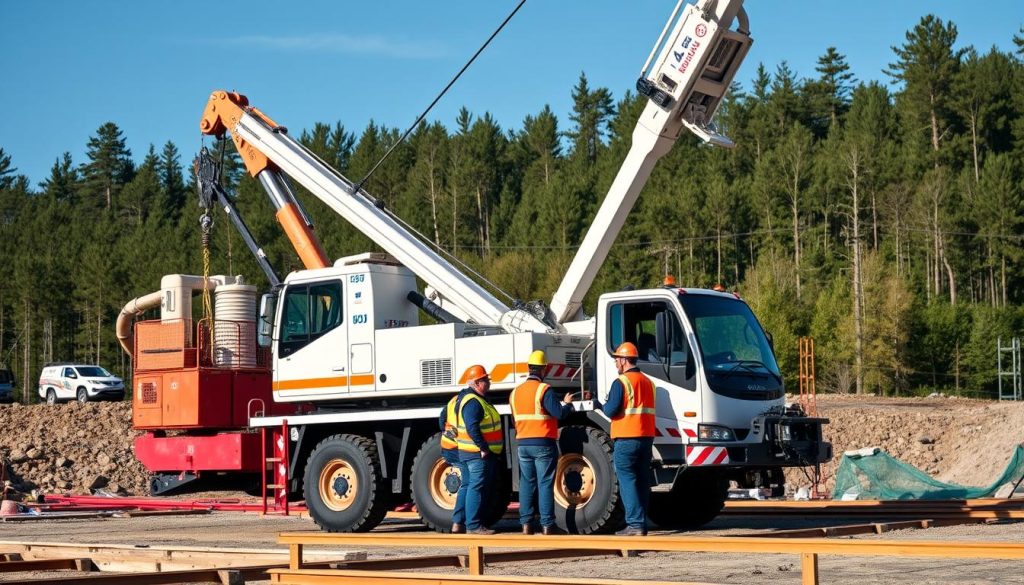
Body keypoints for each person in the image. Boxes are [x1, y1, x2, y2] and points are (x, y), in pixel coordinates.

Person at [509, 350, 574, 535]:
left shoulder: (515, 392)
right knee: (545, 483)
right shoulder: (544, 389)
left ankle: (526, 525)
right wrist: (568, 404)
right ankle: (547, 525)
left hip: (523, 444)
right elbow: (559, 413)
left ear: (529, 368)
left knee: (527, 483)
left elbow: (515, 420)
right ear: (544, 369)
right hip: (543, 443)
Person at [602, 342, 656, 536]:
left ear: (624, 361)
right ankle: (641, 522)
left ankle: (634, 524)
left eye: (617, 359)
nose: (616, 363)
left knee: (627, 480)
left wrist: (601, 404)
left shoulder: (622, 382)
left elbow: (610, 410)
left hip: (626, 438)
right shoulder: (648, 382)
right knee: (641, 480)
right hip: (646, 438)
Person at [455, 364, 504, 535]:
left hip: (469, 453)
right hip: (476, 454)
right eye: (484, 380)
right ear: (476, 383)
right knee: (476, 487)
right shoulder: (473, 402)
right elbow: (472, 427)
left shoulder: (475, 399)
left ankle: (461, 523)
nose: (488, 383)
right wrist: (483, 447)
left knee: (470, 486)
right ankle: (474, 526)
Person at [438, 388, 471, 533]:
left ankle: (459, 523)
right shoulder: (468, 402)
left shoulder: (453, 400)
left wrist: (448, 433)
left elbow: (441, 419)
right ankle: (459, 522)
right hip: (458, 447)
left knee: (467, 483)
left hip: (448, 445)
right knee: (468, 483)